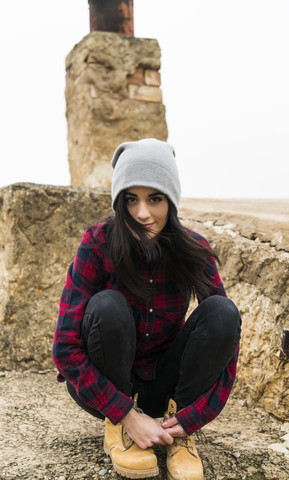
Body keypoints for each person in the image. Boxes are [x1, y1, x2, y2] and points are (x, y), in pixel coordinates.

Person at [52, 138, 241, 480]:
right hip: (109, 384)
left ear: (171, 199)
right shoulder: (97, 243)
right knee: (108, 305)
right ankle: (118, 427)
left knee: (224, 311)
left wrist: (193, 417)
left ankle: (177, 435)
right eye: (131, 199)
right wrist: (125, 412)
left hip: (165, 385)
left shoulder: (194, 249)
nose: (142, 213)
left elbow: (227, 349)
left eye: (154, 198)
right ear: (119, 202)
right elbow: (64, 349)